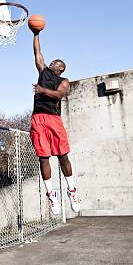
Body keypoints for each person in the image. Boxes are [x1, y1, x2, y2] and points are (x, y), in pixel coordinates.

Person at [30, 28, 80, 215]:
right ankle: (51, 195)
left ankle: (72, 190)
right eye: (52, 61)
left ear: (61, 68)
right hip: (38, 118)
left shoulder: (65, 80)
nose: (52, 62)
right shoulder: (43, 71)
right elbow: (37, 53)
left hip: (54, 119)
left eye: (56, 62)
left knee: (63, 156)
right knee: (43, 157)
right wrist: (36, 33)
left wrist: (42, 91)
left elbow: (59, 94)